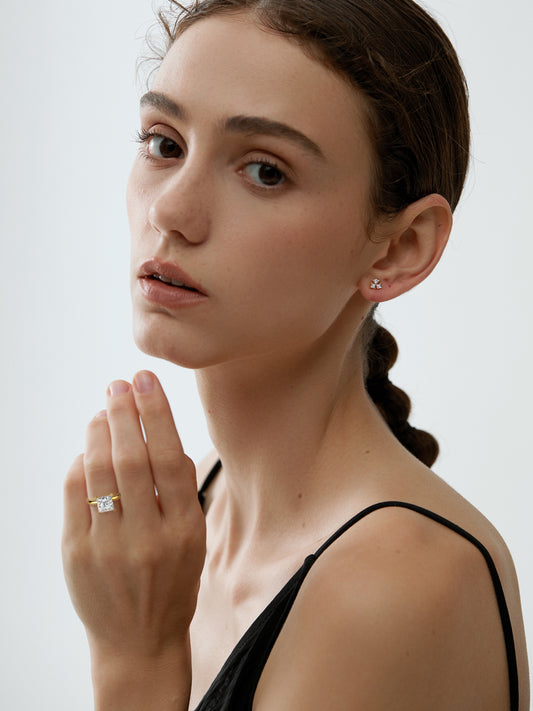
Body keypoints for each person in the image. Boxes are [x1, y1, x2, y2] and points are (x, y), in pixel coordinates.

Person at [61, 0, 529, 709]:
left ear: (400, 247)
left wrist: (135, 658)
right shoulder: (190, 506)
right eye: (164, 143)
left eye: (264, 171)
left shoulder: (400, 583)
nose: (170, 212)